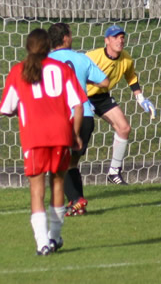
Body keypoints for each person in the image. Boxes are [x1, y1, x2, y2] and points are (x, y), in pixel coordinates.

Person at [0, 28, 84, 256]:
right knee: (58, 184)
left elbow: (6, 109)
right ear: (48, 47)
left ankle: (42, 244)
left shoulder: (19, 70)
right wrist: (75, 134)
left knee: (37, 190)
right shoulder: (62, 69)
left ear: (28, 47)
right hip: (60, 134)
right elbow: (77, 105)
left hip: (34, 136)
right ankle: (55, 238)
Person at [47, 23, 110, 216]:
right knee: (71, 163)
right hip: (86, 117)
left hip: (62, 119)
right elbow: (105, 82)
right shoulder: (82, 59)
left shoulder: (46, 61)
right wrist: (83, 80)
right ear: (65, 37)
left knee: (56, 165)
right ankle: (79, 208)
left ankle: (75, 200)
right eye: (71, 35)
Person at [85, 24, 155, 185]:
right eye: (115, 37)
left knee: (124, 128)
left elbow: (131, 77)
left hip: (102, 97)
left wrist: (141, 99)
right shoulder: (92, 57)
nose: (120, 40)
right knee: (78, 135)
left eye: (122, 37)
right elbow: (77, 74)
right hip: (83, 95)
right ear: (107, 41)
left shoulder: (126, 58)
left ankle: (114, 173)